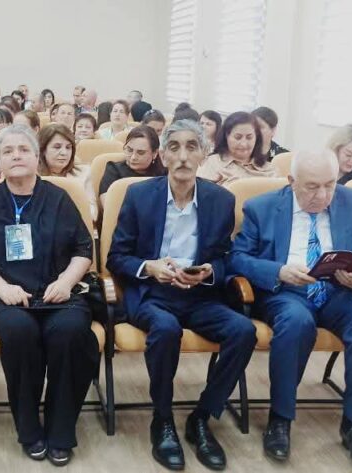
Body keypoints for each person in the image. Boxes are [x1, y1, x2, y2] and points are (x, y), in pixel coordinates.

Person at [107, 120, 256, 471]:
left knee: (243, 331)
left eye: (192, 147)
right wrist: (150, 267)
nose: (183, 156)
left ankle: (201, 417)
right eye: (174, 147)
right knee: (166, 329)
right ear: (162, 155)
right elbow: (116, 257)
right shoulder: (140, 195)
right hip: (152, 294)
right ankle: (162, 420)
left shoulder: (221, 199)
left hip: (200, 295)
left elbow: (225, 257)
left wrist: (209, 272)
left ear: (204, 154)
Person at [230, 150, 352, 469]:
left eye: (330, 184)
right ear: (292, 181)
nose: (323, 195)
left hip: (338, 292)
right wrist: (278, 271)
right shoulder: (261, 207)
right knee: (296, 322)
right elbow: (237, 258)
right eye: (313, 186)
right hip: (288, 292)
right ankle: (280, 419)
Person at [0, 125, 99, 467]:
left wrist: (66, 281)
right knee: (19, 332)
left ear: (37, 158)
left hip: (60, 293)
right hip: (8, 296)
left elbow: (84, 248)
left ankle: (60, 429)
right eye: (8, 151)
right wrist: (1, 288)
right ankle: (28, 428)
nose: (16, 156)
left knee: (70, 333)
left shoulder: (58, 198)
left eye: (24, 150)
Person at [197, 111, 276, 185]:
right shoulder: (212, 163)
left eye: (249, 138)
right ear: (226, 136)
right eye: (238, 137)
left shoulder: (269, 168)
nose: (243, 144)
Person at [37, 124, 95, 219]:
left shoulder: (84, 173)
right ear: (43, 150)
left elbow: (93, 213)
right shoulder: (31, 177)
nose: (64, 153)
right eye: (57, 147)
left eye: (68, 147)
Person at [98, 126, 166, 205]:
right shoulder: (114, 170)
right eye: (129, 150)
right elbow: (108, 206)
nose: (133, 157)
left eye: (140, 152)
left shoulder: (164, 174)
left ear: (154, 153)